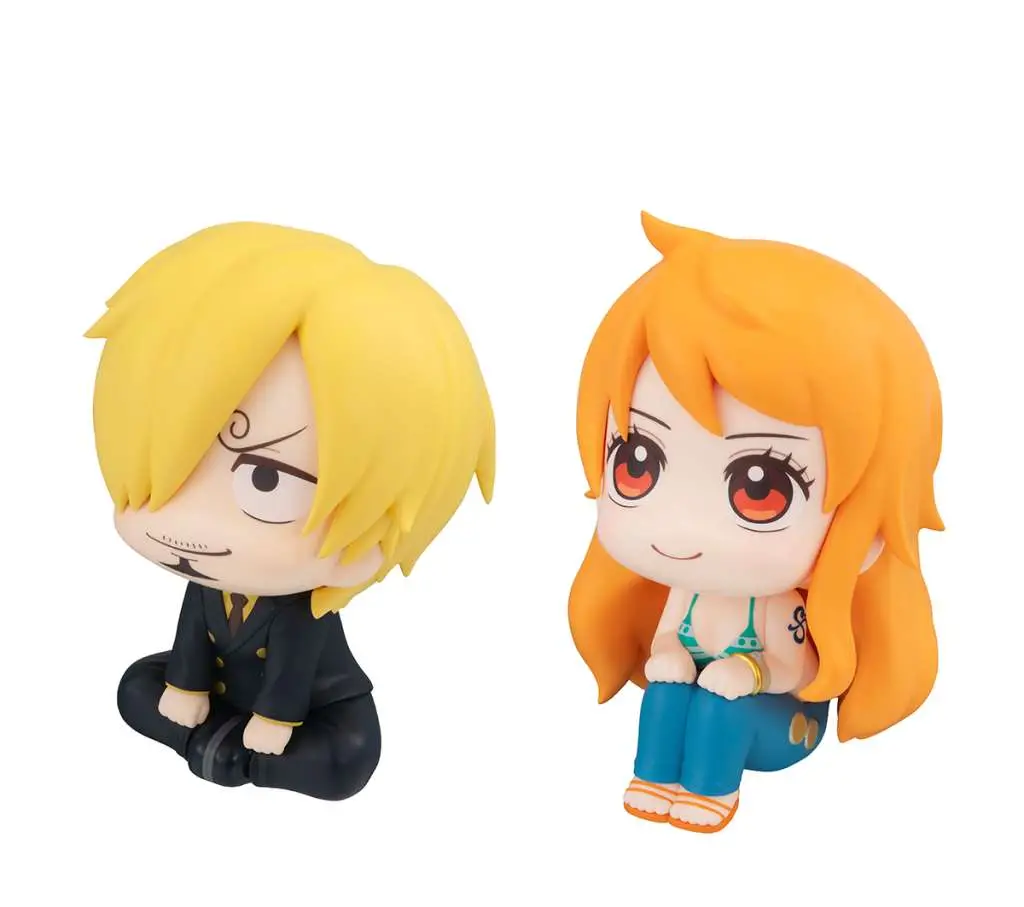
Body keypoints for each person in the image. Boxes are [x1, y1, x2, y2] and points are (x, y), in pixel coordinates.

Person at [88, 222, 495, 800]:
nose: (186, 526)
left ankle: (227, 753)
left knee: (348, 757)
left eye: (266, 478)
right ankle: (221, 750)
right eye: (168, 466)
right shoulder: (208, 580)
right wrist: (184, 686)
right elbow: (191, 635)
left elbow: (294, 663)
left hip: (309, 705)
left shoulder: (303, 607)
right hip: (221, 695)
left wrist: (275, 721)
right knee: (135, 688)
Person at [569, 213, 942, 832]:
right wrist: (668, 654)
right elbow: (669, 639)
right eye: (636, 463)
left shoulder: (778, 605)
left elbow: (796, 668)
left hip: (780, 721)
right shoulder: (684, 590)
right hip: (704, 695)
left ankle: (712, 789)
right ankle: (654, 776)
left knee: (720, 709)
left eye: (760, 486)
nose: (681, 526)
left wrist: (748, 672)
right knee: (665, 693)